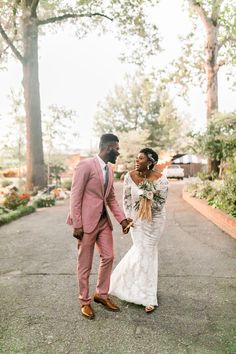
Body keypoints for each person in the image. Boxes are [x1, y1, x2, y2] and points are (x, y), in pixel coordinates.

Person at [66, 133, 132, 319]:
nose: (118, 153)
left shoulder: (109, 170)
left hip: (103, 222)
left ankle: (101, 294)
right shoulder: (85, 165)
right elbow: (75, 195)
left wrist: (122, 219)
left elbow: (110, 198)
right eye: (117, 149)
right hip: (86, 224)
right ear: (108, 148)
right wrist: (77, 224)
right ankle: (84, 301)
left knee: (109, 256)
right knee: (84, 264)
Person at [109, 148, 168, 313]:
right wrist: (127, 218)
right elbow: (126, 199)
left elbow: (159, 205)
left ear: (149, 162)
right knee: (142, 253)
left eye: (140, 158)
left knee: (147, 253)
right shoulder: (129, 176)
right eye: (136, 158)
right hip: (137, 221)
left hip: (154, 221)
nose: (137, 161)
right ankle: (132, 287)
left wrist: (146, 195)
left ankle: (148, 296)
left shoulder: (162, 180)